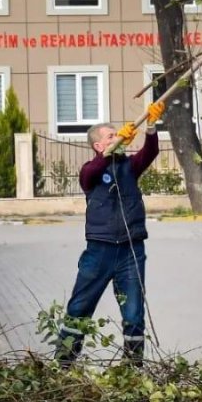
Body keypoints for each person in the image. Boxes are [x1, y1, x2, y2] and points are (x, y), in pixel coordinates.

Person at [57, 102, 165, 366]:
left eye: (118, 134)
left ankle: (133, 368)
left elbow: (150, 152)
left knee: (134, 312)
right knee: (80, 307)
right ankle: (63, 363)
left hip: (131, 251)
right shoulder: (90, 171)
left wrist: (151, 126)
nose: (118, 137)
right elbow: (93, 171)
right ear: (98, 145)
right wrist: (111, 149)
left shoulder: (129, 166)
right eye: (111, 136)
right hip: (99, 251)